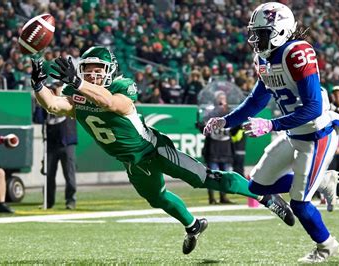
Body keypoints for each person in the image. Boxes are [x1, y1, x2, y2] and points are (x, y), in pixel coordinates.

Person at [31, 46, 295, 255]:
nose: (92, 75)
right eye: (87, 69)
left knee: (206, 178)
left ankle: (265, 196)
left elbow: (111, 103)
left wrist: (78, 83)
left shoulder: (121, 87)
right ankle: (193, 226)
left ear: (110, 71)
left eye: (98, 69)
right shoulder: (78, 92)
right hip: (132, 162)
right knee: (157, 198)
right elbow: (54, 105)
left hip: (155, 150)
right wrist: (38, 85)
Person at [203, 3, 339, 263]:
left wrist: (270, 125)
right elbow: (256, 101)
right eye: (256, 32)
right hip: (292, 133)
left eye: (262, 33)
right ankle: (320, 183)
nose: (256, 39)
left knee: (300, 205)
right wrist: (225, 121)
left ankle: (327, 246)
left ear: (281, 30)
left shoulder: (297, 52)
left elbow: (314, 108)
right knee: (257, 185)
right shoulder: (263, 58)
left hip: (318, 135)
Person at [33, 82, 78, 210]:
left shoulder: (68, 101)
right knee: (48, 174)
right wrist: (39, 104)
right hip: (50, 144)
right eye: (50, 90)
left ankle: (70, 200)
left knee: (69, 174)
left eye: (54, 89)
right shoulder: (46, 106)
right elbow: (37, 119)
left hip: (67, 143)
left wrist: (60, 94)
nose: (52, 92)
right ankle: (48, 201)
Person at [201, 91, 235, 204]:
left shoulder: (229, 112)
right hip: (213, 149)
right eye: (220, 98)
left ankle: (223, 197)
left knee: (225, 175)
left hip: (225, 148)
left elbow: (235, 127)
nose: (222, 100)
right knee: (212, 174)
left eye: (224, 98)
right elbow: (203, 124)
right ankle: (212, 198)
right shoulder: (211, 112)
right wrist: (218, 109)